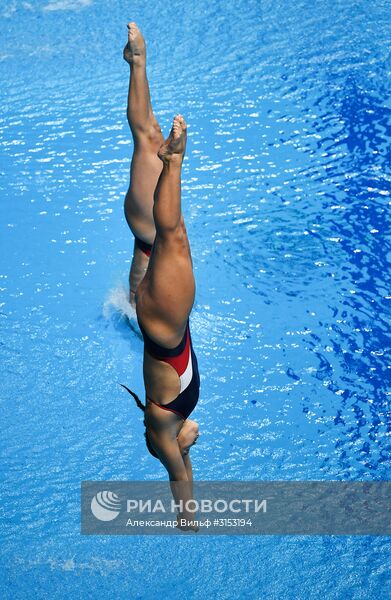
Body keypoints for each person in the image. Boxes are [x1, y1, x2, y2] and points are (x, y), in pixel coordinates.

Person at [121, 23, 200, 530]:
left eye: (186, 440)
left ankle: (175, 165)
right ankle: (137, 61)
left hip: (163, 328)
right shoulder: (170, 429)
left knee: (173, 237)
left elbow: (179, 479)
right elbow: (189, 462)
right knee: (146, 134)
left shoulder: (161, 435)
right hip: (146, 297)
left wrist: (187, 518)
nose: (196, 433)